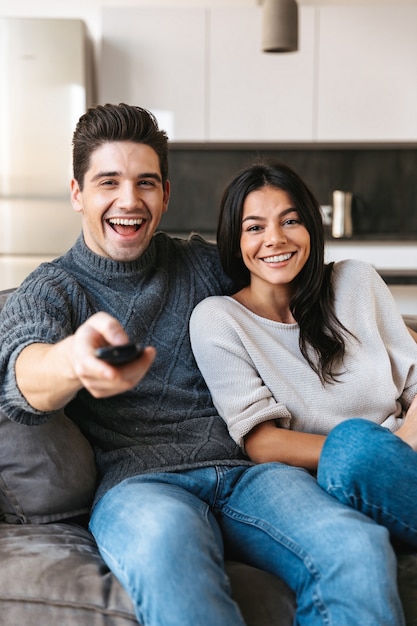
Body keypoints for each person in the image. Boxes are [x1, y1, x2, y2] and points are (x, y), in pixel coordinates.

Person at [0, 105, 406, 626]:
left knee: (357, 548)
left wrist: (402, 337)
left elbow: (309, 289)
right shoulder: (52, 289)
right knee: (172, 559)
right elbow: (21, 373)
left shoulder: (201, 263)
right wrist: (73, 360)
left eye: (146, 183)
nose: (129, 200)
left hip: (253, 475)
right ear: (77, 193)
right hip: (143, 485)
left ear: (165, 195)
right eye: (109, 182)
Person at [190, 159, 417, 624]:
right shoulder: (219, 319)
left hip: (404, 467)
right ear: (236, 241)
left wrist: (398, 447)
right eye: (255, 227)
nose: (275, 238)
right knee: (354, 447)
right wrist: (370, 449)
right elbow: (263, 442)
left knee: (362, 448)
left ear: (311, 227)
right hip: (330, 478)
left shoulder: (356, 281)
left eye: (290, 220)